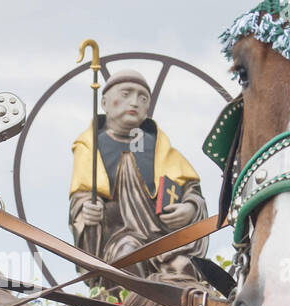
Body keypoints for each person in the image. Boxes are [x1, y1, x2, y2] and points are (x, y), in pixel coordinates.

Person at [68, 71, 211, 279]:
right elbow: (82, 197)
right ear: (105, 102)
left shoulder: (160, 147)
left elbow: (191, 189)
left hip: (163, 240)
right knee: (127, 258)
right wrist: (86, 211)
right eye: (126, 94)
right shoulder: (90, 147)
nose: (134, 102)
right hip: (118, 239)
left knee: (184, 268)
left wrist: (189, 208)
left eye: (142, 98)